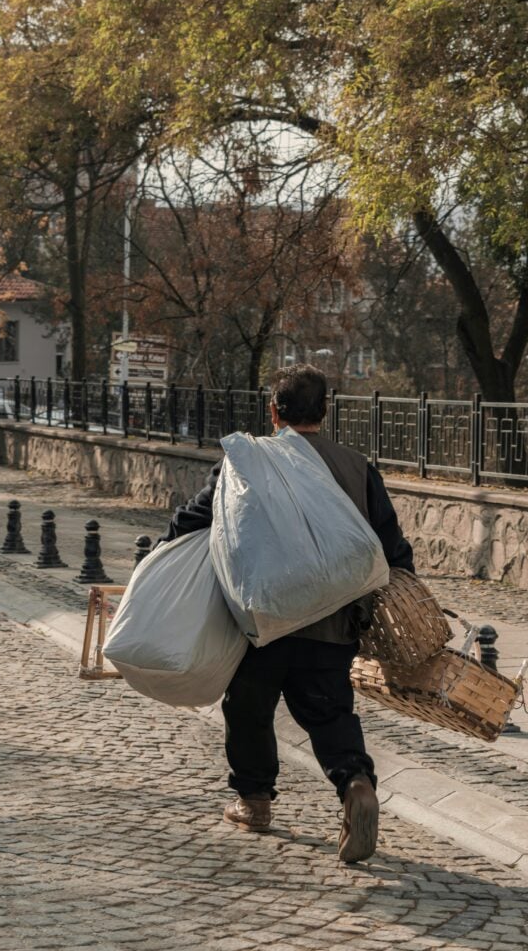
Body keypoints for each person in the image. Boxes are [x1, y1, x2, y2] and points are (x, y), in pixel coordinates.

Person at [159, 364, 414, 862]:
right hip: (334, 624)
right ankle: (355, 783)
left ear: (273, 411)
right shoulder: (357, 467)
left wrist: (156, 564)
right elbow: (391, 548)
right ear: (325, 412)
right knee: (330, 712)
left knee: (248, 709)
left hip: (264, 624)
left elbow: (192, 519)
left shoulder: (245, 462)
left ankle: (254, 802)